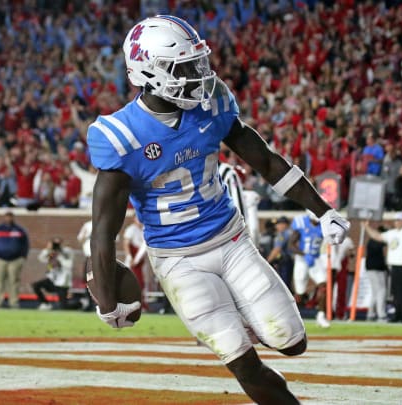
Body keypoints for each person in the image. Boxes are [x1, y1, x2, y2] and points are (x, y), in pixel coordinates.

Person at [86, 15, 349, 405]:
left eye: (199, 63)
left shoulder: (212, 103)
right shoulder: (122, 135)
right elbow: (103, 230)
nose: (200, 74)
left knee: (293, 343)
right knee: (241, 360)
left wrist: (322, 211)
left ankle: (242, 315)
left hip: (232, 240)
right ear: (148, 72)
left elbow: (266, 161)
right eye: (186, 68)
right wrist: (106, 298)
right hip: (178, 260)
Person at [364, 213, 402, 323]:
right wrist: (367, 227)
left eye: (399, 220)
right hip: (394, 266)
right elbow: (378, 236)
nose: (397, 222)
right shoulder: (392, 233)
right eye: (396, 220)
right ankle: (397, 314)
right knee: (395, 292)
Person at [288, 212, 329, 328]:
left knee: (323, 285)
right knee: (300, 294)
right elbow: (291, 245)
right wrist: (304, 254)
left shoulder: (323, 225)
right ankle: (293, 319)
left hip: (315, 259)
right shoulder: (301, 223)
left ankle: (321, 316)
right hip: (302, 260)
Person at [0, 211, 29, 309]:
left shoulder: (19, 230)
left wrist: (23, 256)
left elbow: (25, 244)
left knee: (14, 281)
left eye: (10, 217)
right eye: (7, 217)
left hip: (15, 260)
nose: (8, 219)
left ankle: (13, 302)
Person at [32, 237, 73, 310]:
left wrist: (60, 255)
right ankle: (45, 303)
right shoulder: (51, 253)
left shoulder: (67, 252)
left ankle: (80, 304)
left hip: (62, 283)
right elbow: (41, 258)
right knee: (36, 285)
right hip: (52, 280)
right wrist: (48, 250)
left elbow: (69, 265)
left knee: (64, 307)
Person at [364, 225, 389, 322]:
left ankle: (370, 313)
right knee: (381, 291)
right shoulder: (378, 241)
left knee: (375, 292)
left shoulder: (372, 241)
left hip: (372, 268)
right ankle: (381, 314)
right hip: (377, 268)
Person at [266, 216, 293, 291]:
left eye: (279, 224)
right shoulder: (290, 232)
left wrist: (267, 262)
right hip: (288, 260)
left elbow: (277, 249)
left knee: (284, 284)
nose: (276, 226)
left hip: (285, 261)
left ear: (284, 224)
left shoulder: (283, 234)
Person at [76, 219, 95, 311]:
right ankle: (89, 303)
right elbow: (80, 239)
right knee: (88, 280)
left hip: (99, 257)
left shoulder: (105, 221)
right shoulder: (87, 225)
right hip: (89, 257)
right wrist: (86, 234)